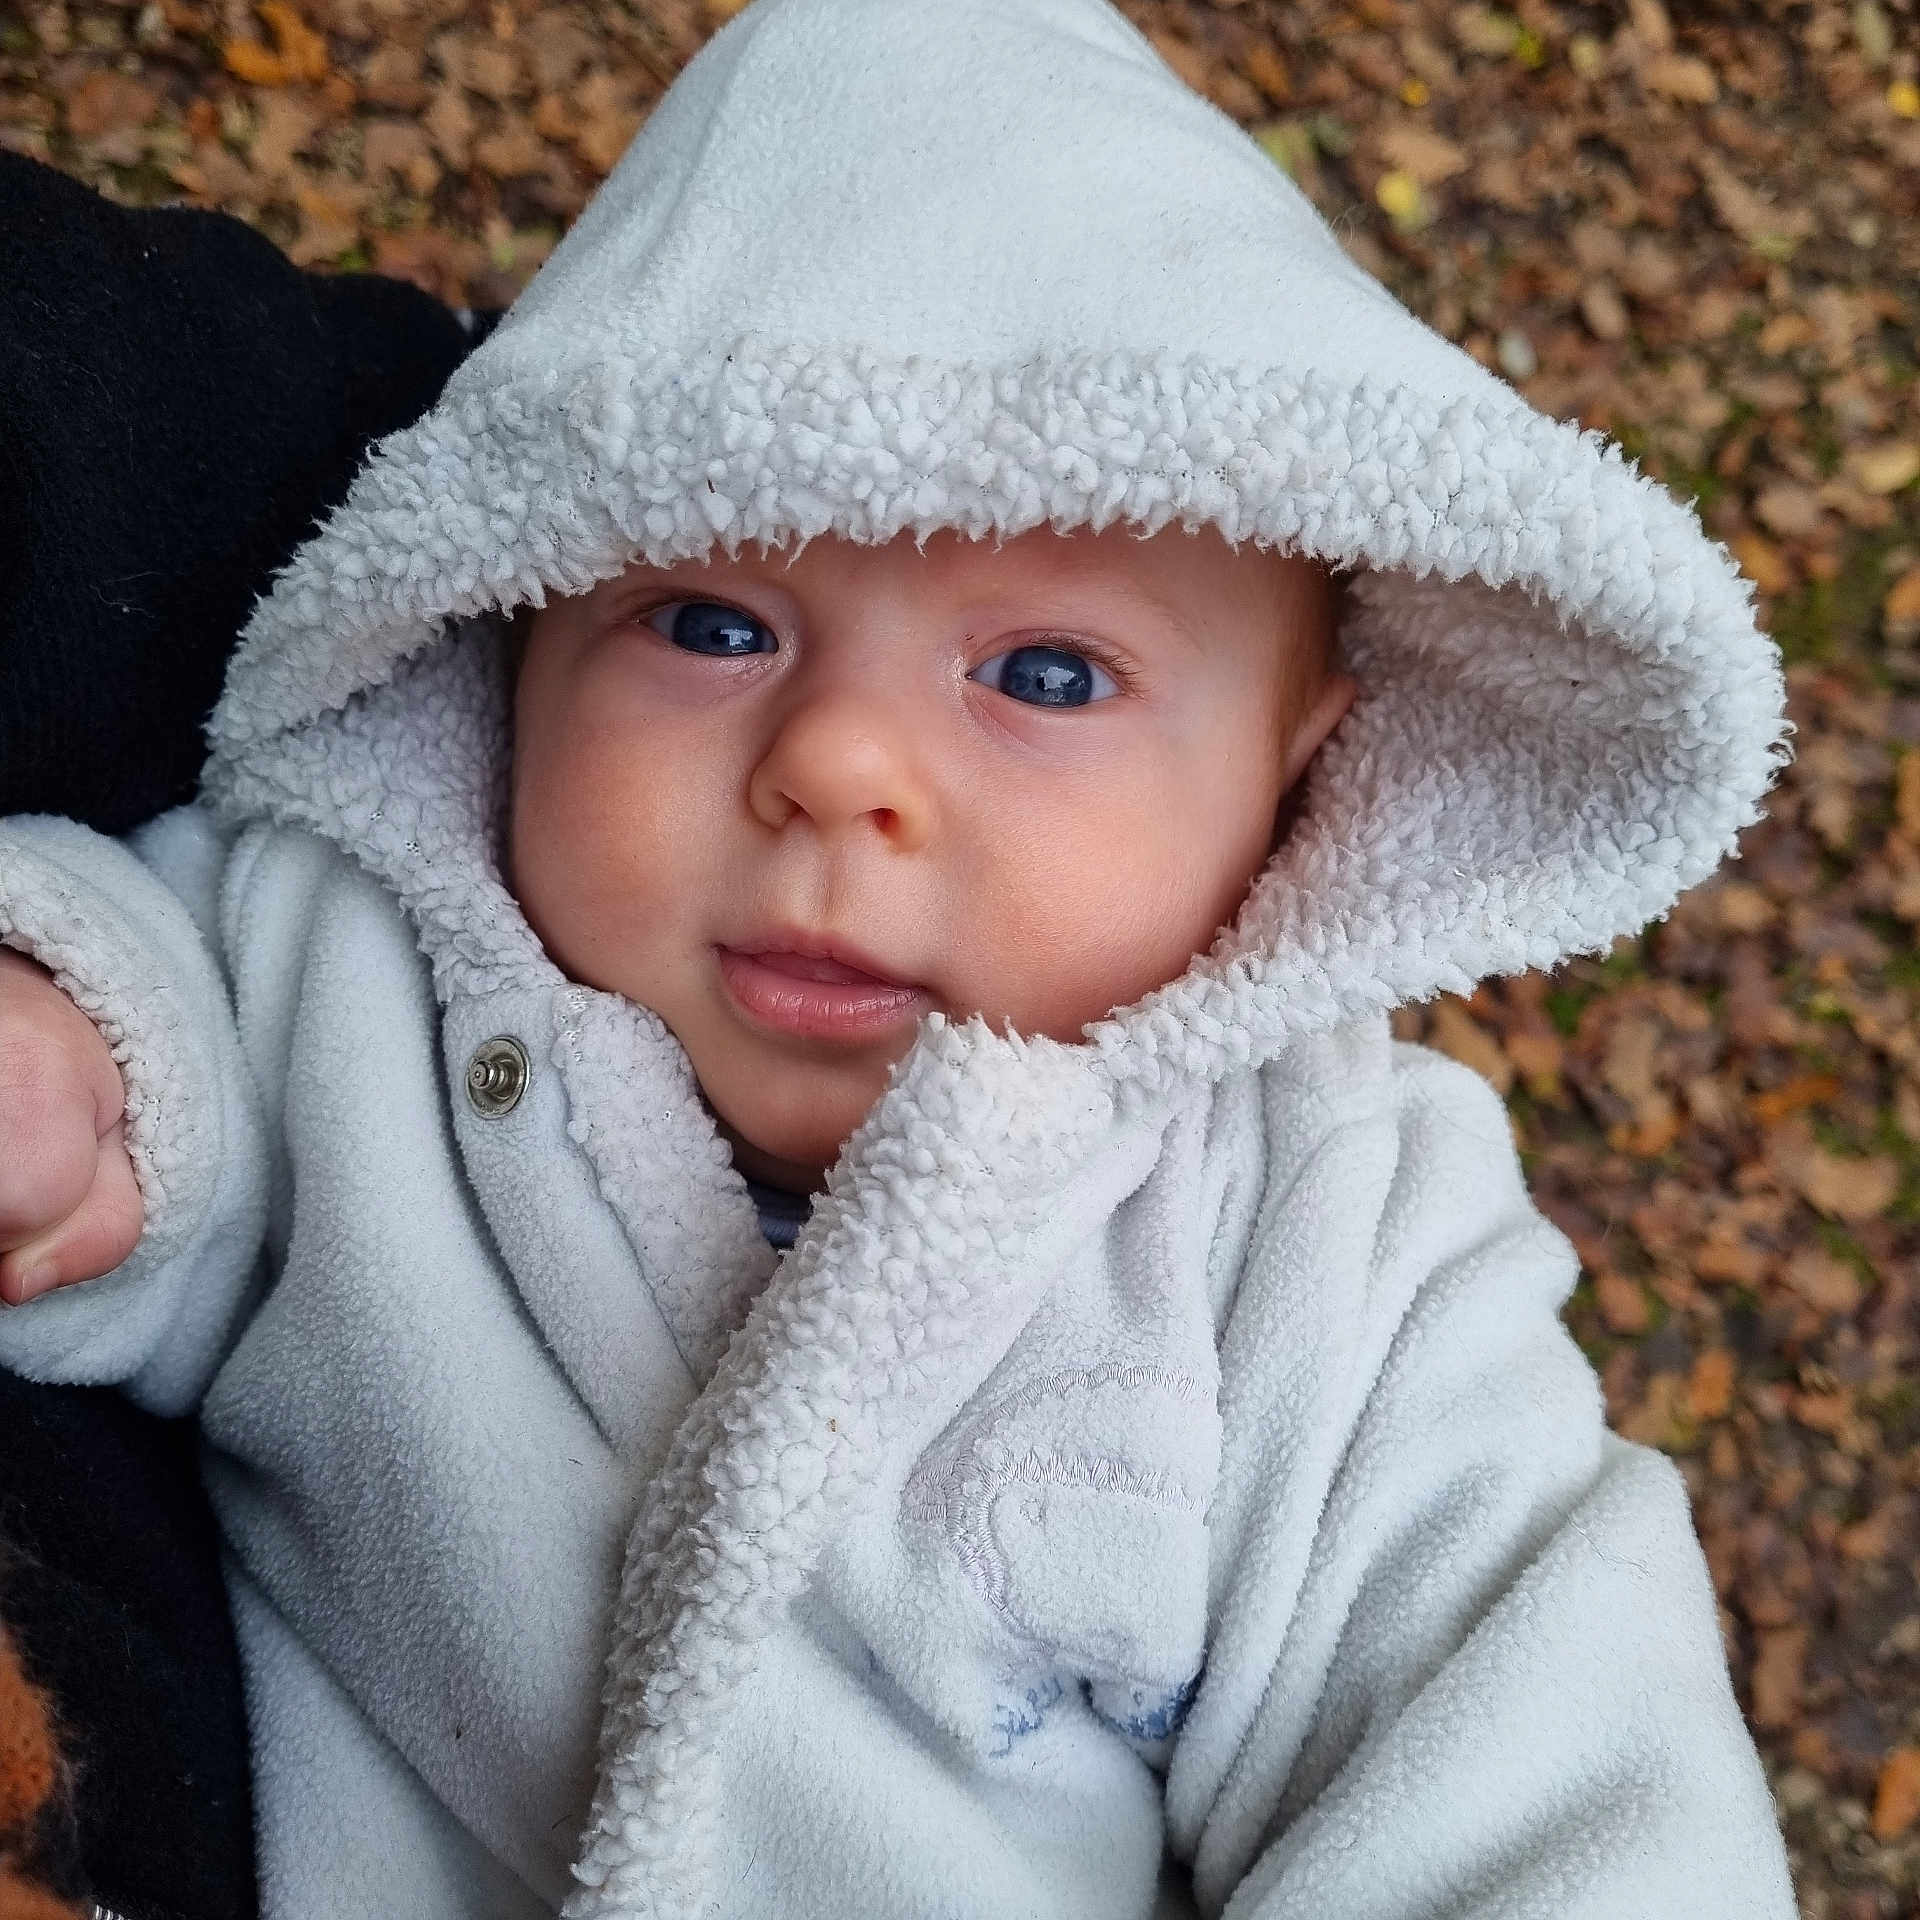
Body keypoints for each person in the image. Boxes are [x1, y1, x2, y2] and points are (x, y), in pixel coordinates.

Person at [0, 0, 1799, 1914]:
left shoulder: (1333, 1242)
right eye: (708, 623)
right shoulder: (347, 969)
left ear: (1295, 781)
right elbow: (149, 1056)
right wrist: (74, 1070)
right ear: (508, 625)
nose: (838, 769)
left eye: (1044, 675)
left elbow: (1546, 1761)